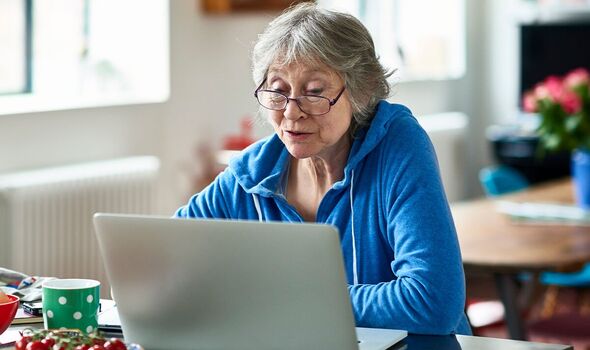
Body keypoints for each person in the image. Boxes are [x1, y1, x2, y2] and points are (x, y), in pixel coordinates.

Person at [176, 3, 471, 335]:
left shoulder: (398, 147)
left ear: (363, 91)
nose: (291, 112)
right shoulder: (253, 172)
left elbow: (432, 301)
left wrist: (288, 301)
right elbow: (168, 257)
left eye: (315, 93)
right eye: (278, 90)